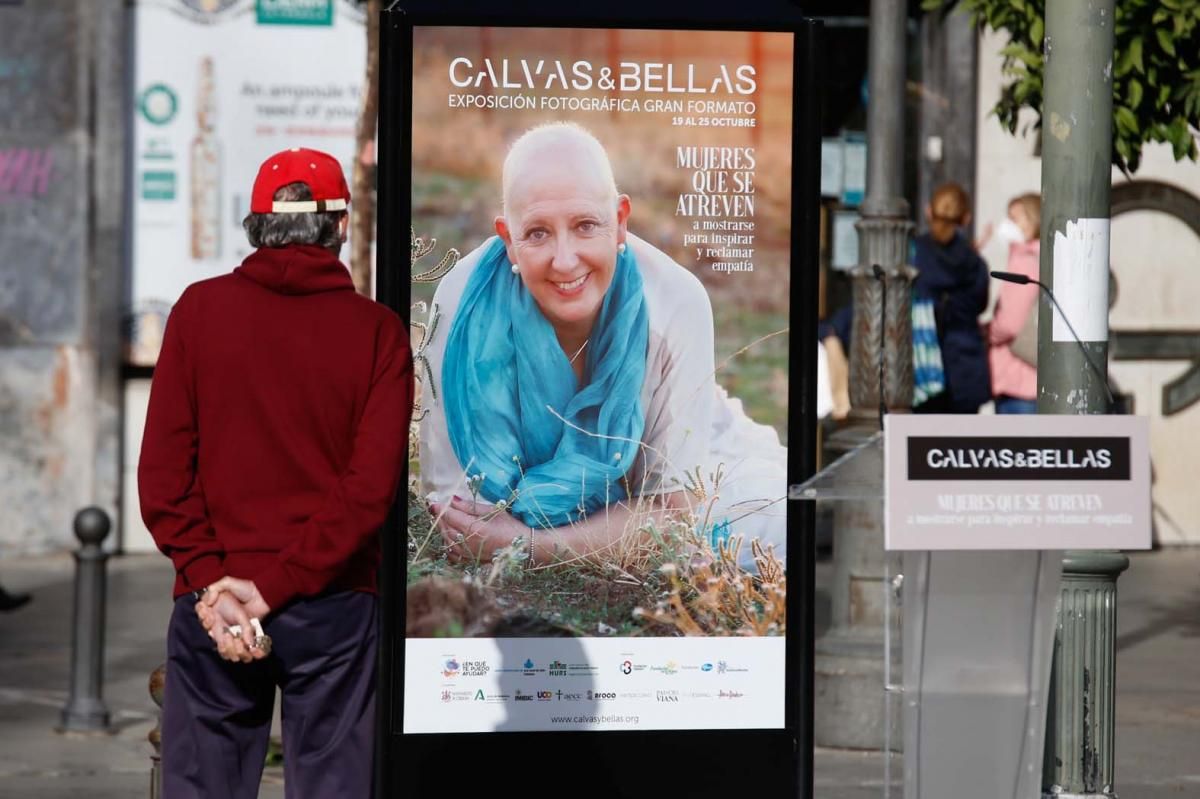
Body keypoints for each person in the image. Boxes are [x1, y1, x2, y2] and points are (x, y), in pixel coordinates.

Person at [138, 147, 411, 799]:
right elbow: (367, 491)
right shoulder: (376, 331)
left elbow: (163, 475)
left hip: (214, 603)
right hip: (333, 604)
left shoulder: (198, 312)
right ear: (341, 227)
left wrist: (213, 586)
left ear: (256, 225)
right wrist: (277, 585)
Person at [418, 122, 786, 571]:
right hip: (622, 496)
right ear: (508, 240)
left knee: (766, 525)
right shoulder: (462, 304)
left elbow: (671, 516)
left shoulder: (676, 304)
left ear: (620, 222)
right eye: (537, 233)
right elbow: (453, 509)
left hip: (691, 436)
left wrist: (528, 545)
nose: (565, 259)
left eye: (586, 225)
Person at [912, 181, 990, 413]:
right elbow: (979, 305)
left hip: (920, 371)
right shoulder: (974, 263)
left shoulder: (913, 255)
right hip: (964, 371)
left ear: (928, 211)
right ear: (966, 218)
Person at [988, 193, 1041, 414]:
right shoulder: (1041, 256)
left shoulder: (1025, 260)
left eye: (1015, 218)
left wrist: (987, 333)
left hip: (1019, 380)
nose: (1008, 225)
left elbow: (1009, 324)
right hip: (1029, 380)